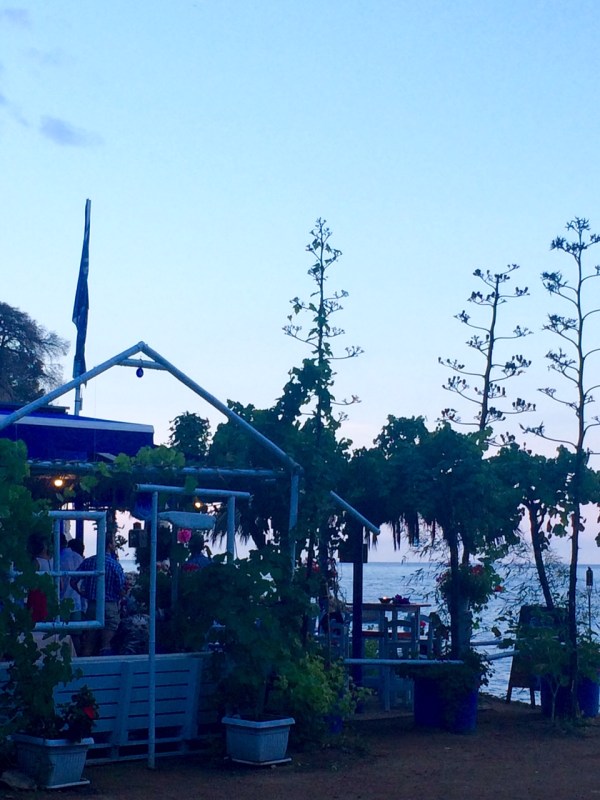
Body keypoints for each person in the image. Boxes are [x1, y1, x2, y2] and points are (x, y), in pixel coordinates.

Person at [71, 538, 125, 656]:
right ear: (109, 545)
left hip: (92, 605)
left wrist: (82, 593)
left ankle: (84, 670)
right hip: (109, 606)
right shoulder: (115, 565)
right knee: (107, 644)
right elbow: (121, 589)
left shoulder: (89, 562)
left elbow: (73, 581)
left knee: (89, 644)